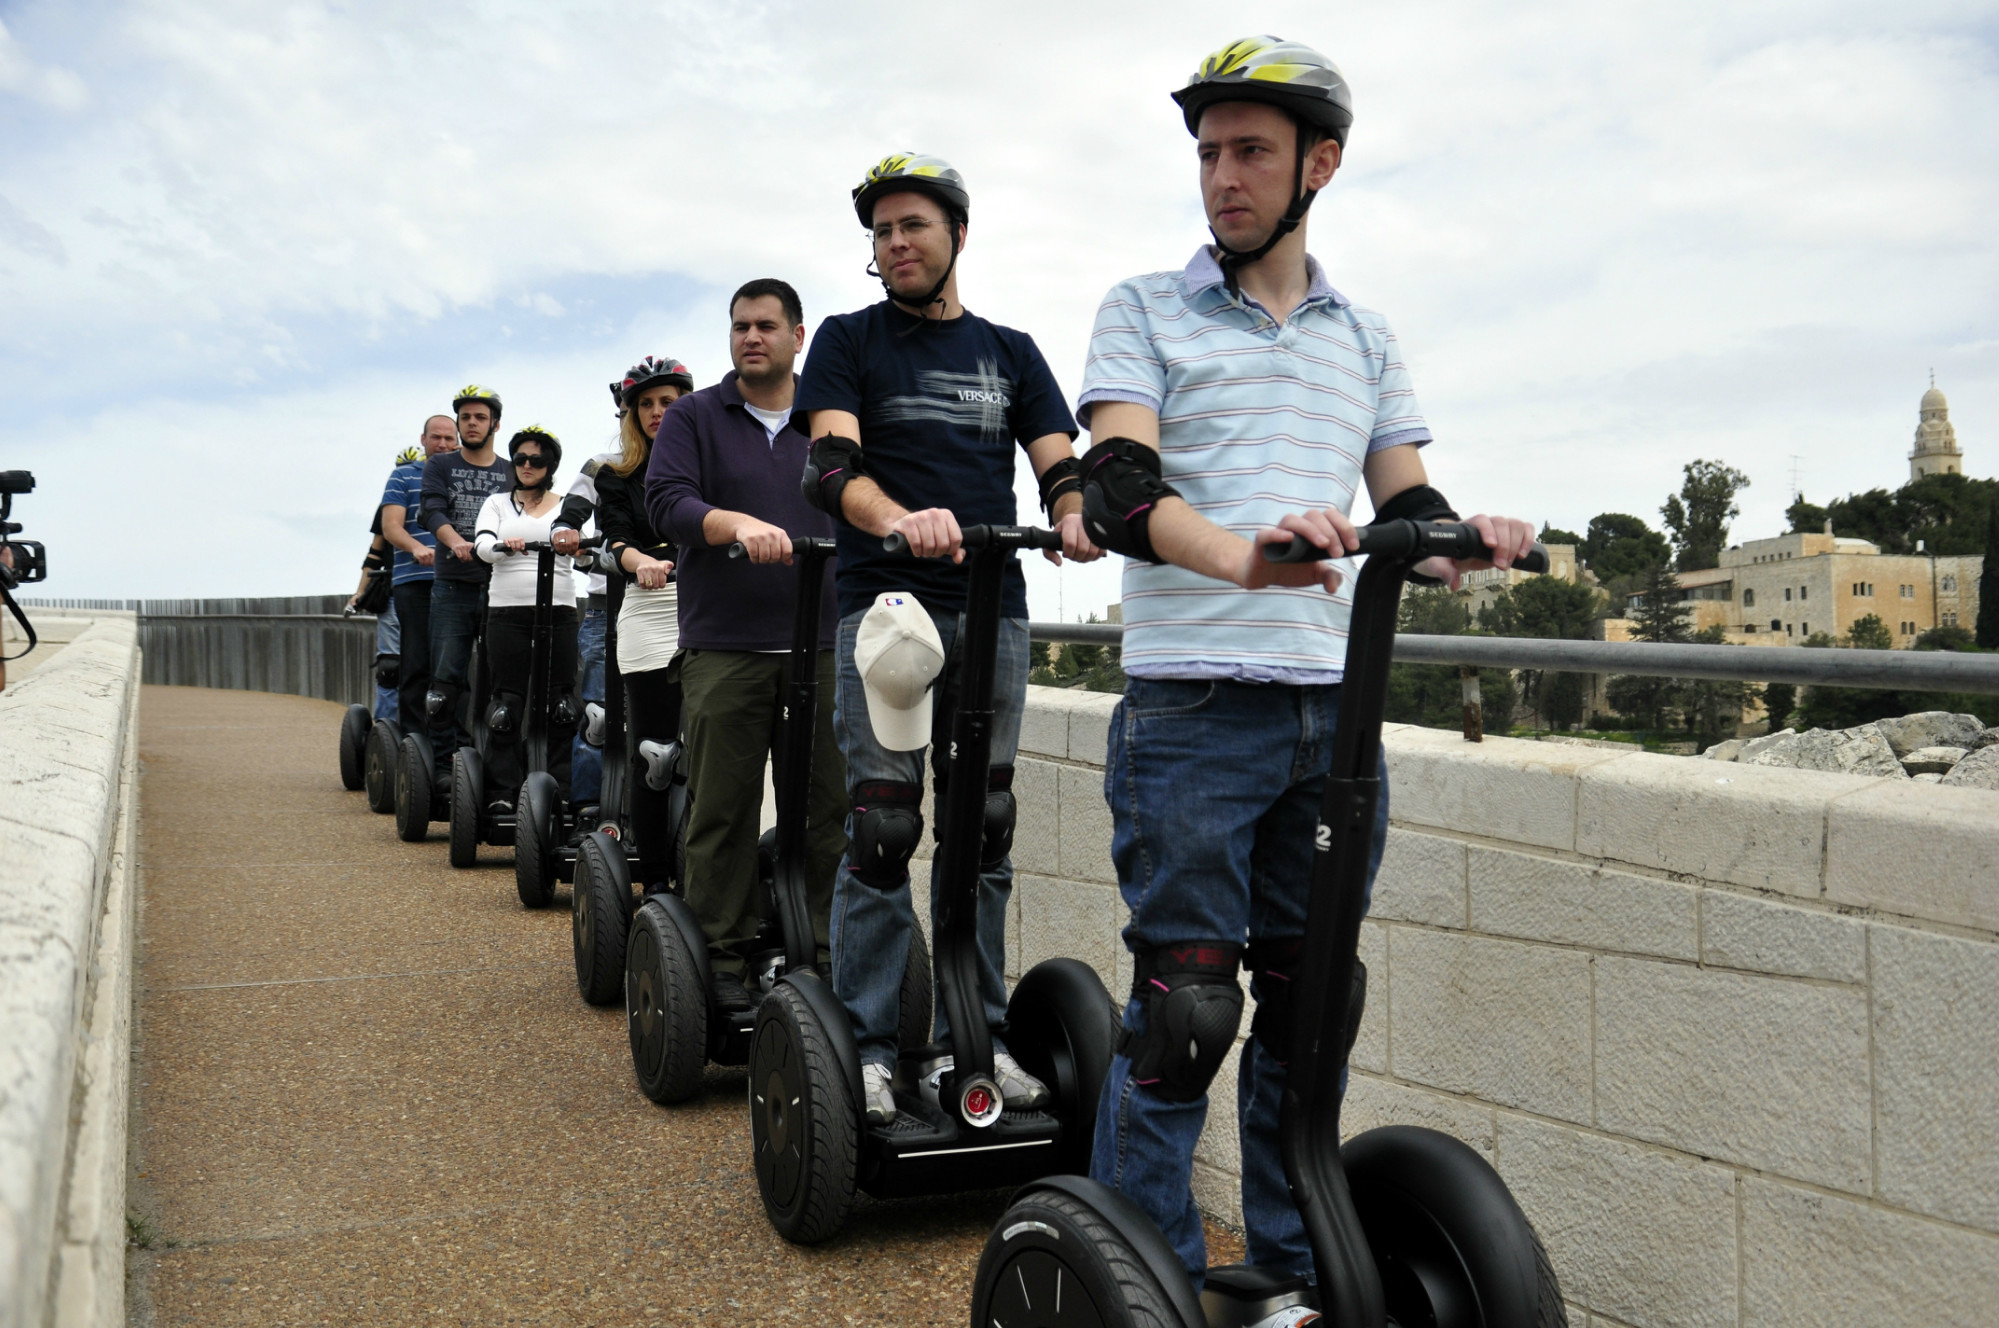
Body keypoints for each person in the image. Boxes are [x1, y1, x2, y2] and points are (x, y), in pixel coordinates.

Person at [1071, 37, 1538, 1303]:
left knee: (1305, 1010)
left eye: (1252, 152)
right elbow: (1117, 486)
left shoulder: (1363, 335)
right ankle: (1146, 1281)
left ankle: (1288, 1272)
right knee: (1184, 1013)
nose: (1222, 176)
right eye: (1210, 152)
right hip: (1193, 709)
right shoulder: (1143, 307)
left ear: (1317, 165)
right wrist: (1244, 559)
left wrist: (1464, 540)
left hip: (1331, 721)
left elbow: (1407, 498)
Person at [796, 154, 1100, 1123]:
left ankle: (982, 1030)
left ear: (956, 234)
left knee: (986, 826)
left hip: (993, 604)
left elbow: (1059, 463)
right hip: (892, 608)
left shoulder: (1009, 351)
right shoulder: (847, 340)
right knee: (884, 823)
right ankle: (877, 1044)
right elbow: (829, 466)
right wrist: (896, 515)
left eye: (914, 226)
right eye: (882, 232)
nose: (897, 245)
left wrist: (1077, 512)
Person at [647, 278, 843, 1014]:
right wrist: (735, 524)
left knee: (830, 812)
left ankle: (825, 959)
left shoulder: (830, 425)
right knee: (721, 812)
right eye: (739, 327)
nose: (750, 337)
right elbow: (668, 503)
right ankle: (721, 966)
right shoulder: (696, 416)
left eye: (765, 325)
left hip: (822, 646)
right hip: (725, 648)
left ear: (798, 335)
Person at [560, 356, 692, 880]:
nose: (657, 412)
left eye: (668, 402)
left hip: (712, 608)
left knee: (720, 752)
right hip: (650, 604)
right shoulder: (615, 473)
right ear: (631, 414)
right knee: (656, 752)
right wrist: (641, 563)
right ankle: (658, 879)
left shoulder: (711, 464)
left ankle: (709, 868)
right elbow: (615, 535)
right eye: (646, 404)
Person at [471, 426, 580, 816]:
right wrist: (503, 546)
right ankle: (502, 791)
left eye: (536, 459)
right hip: (506, 611)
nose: (527, 466)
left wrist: (577, 543)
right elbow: (481, 545)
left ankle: (561, 792)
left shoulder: (568, 504)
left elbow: (586, 551)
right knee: (505, 706)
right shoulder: (498, 503)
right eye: (520, 459)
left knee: (562, 705)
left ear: (551, 464)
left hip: (560, 610)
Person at [420, 385, 511, 796]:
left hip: (502, 589)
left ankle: (496, 766)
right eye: (466, 417)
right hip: (453, 585)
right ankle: (447, 764)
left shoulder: (511, 471)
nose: (471, 423)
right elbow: (431, 510)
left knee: (501, 683)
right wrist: (454, 539)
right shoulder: (441, 466)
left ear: (494, 423)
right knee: (446, 682)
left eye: (479, 417)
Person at [381, 416, 459, 731]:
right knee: (415, 662)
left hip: (456, 581)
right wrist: (416, 548)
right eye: (436, 437)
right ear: (423, 440)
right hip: (414, 581)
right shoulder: (403, 476)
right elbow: (390, 526)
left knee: (454, 666)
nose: (442, 444)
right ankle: (412, 739)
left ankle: (451, 738)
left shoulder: (461, 476)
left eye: (448, 439)